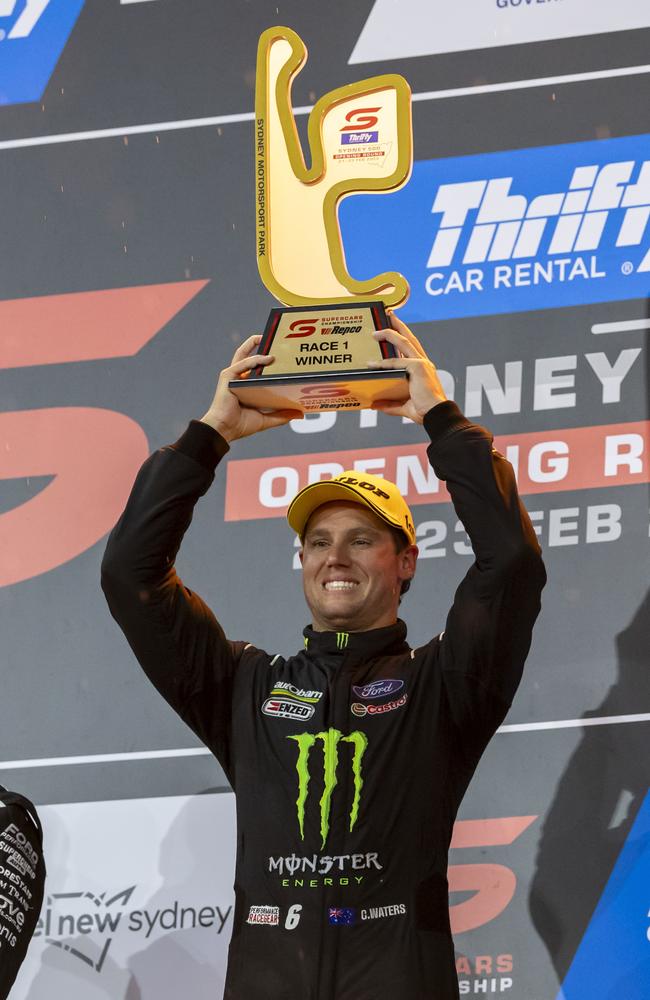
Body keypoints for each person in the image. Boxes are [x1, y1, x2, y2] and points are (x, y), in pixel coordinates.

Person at [101, 315, 546, 1000]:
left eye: (362, 539)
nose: (335, 556)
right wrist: (209, 435)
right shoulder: (243, 688)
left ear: (405, 563)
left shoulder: (446, 686)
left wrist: (441, 418)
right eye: (317, 541)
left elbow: (510, 562)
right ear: (302, 562)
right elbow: (131, 573)